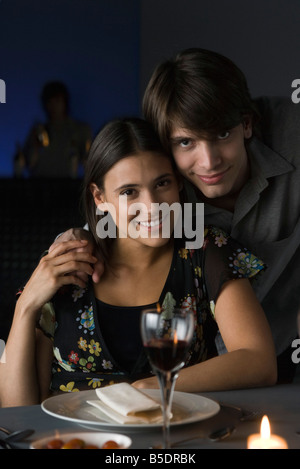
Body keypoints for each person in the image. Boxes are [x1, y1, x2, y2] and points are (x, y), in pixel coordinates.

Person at [0, 118, 276, 407]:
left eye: (162, 183)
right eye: (129, 192)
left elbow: (258, 361)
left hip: (175, 438)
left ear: (178, 182)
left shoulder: (205, 250)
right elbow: (17, 409)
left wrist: (148, 388)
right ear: (99, 197)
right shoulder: (66, 267)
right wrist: (26, 304)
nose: (152, 205)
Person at [14, 81, 92, 178]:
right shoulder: (38, 130)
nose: (53, 106)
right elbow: (28, 164)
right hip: (40, 185)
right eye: (49, 102)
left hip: (67, 185)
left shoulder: (79, 130)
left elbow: (88, 162)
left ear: (64, 102)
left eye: (57, 101)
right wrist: (35, 146)